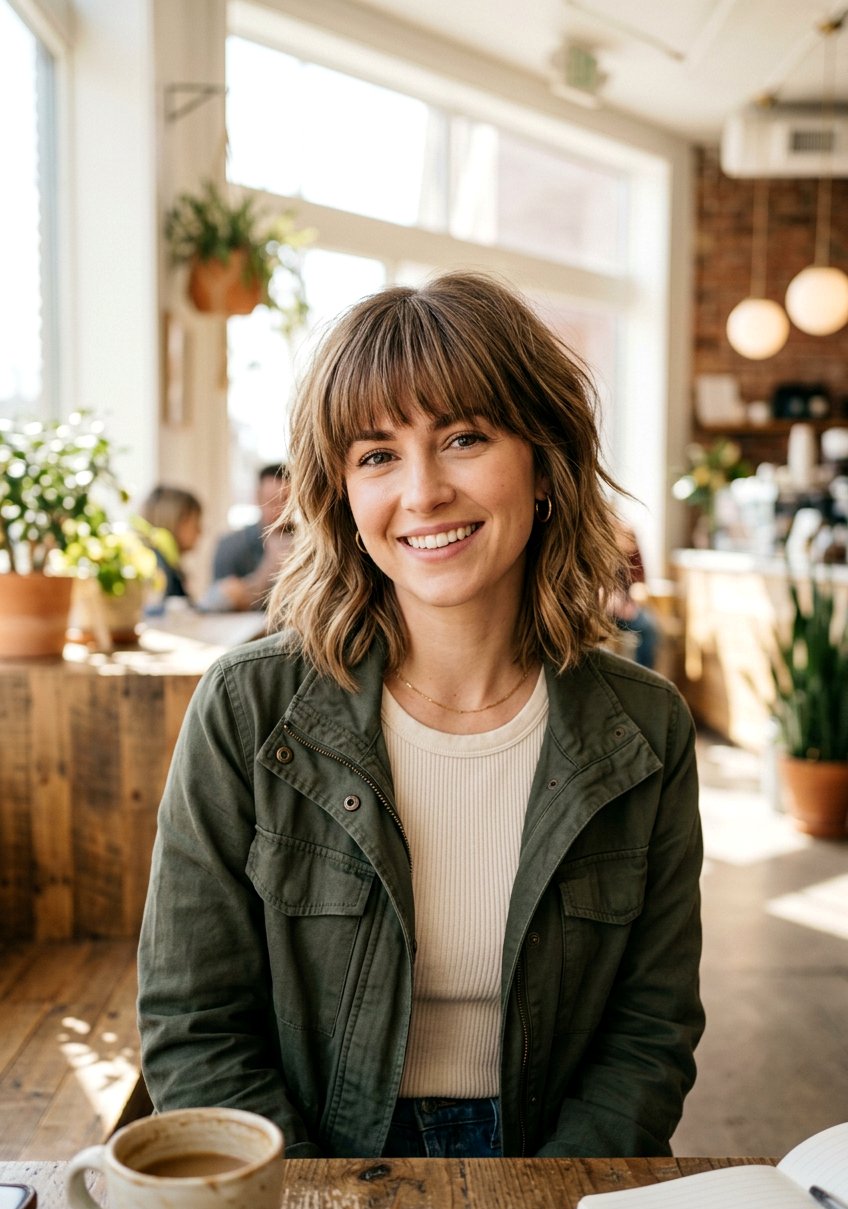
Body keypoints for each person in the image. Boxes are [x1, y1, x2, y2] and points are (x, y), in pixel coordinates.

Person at [138, 271, 704, 1161]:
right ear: (343, 497)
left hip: (560, 1164)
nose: (424, 491)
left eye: (465, 438)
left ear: (545, 462)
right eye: (376, 455)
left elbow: (651, 1030)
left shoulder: (645, 727)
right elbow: (194, 1021)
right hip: (308, 1166)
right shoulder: (249, 709)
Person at [201, 464, 294, 612]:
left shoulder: (309, 543)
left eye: (286, 502)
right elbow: (214, 607)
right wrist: (267, 570)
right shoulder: (230, 546)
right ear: (257, 499)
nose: (279, 511)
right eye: (272, 502)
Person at [136, 485, 202, 605]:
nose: (200, 531)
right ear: (177, 521)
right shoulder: (154, 565)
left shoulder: (170, 567)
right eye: (195, 522)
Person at [608, 519, 660, 670]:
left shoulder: (631, 552)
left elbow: (640, 579)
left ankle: (644, 674)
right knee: (648, 628)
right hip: (601, 610)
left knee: (651, 627)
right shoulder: (602, 550)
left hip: (626, 607)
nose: (631, 542)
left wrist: (629, 602)